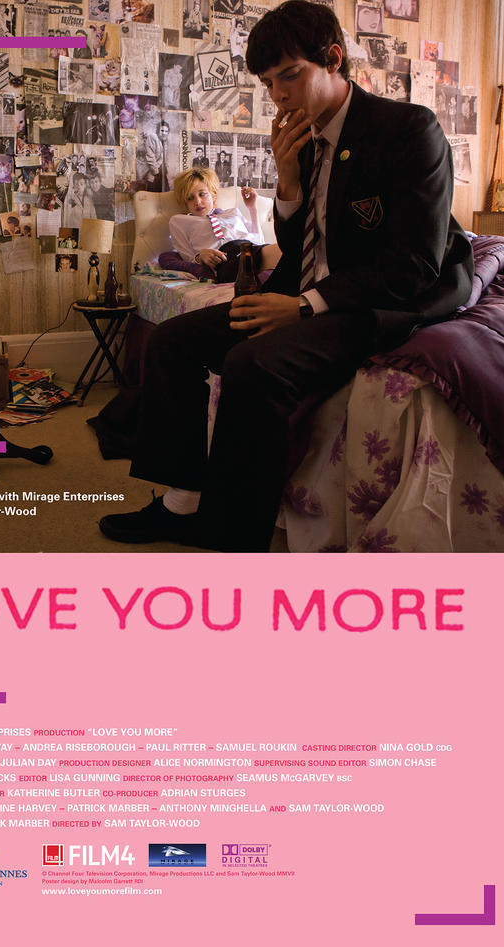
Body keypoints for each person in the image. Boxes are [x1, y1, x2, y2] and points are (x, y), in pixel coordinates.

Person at [99, 0, 473, 552]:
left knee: (251, 364)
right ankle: (183, 503)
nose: (278, 95)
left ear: (333, 59)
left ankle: (232, 534)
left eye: (290, 76)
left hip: (383, 300)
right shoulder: (305, 141)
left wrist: (303, 307)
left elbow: (413, 266)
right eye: (269, 83)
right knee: (172, 342)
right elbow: (301, 249)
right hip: (312, 288)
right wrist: (288, 180)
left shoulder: (407, 130)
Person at [159, 166, 280, 282]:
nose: (197, 202)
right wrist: (200, 256)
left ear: (213, 195)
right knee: (283, 255)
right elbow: (187, 257)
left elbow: (259, 241)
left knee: (277, 261)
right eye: (190, 198)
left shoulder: (233, 213)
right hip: (224, 258)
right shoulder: (179, 221)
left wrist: (252, 208)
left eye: (202, 194)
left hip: (251, 248)